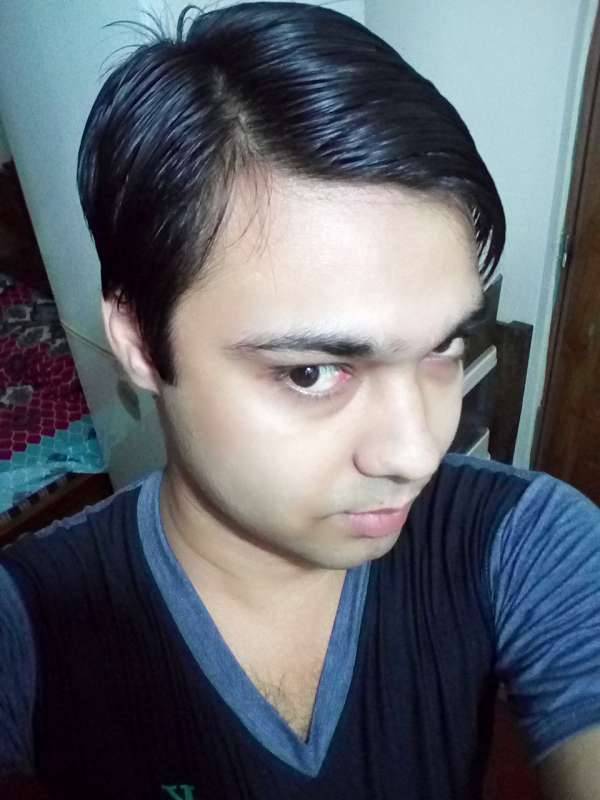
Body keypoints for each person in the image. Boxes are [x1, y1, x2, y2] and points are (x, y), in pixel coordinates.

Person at [1, 3, 599, 798]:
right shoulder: (31, 622)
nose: (417, 452)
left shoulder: (527, 540)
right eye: (312, 372)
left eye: (443, 348)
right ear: (140, 342)